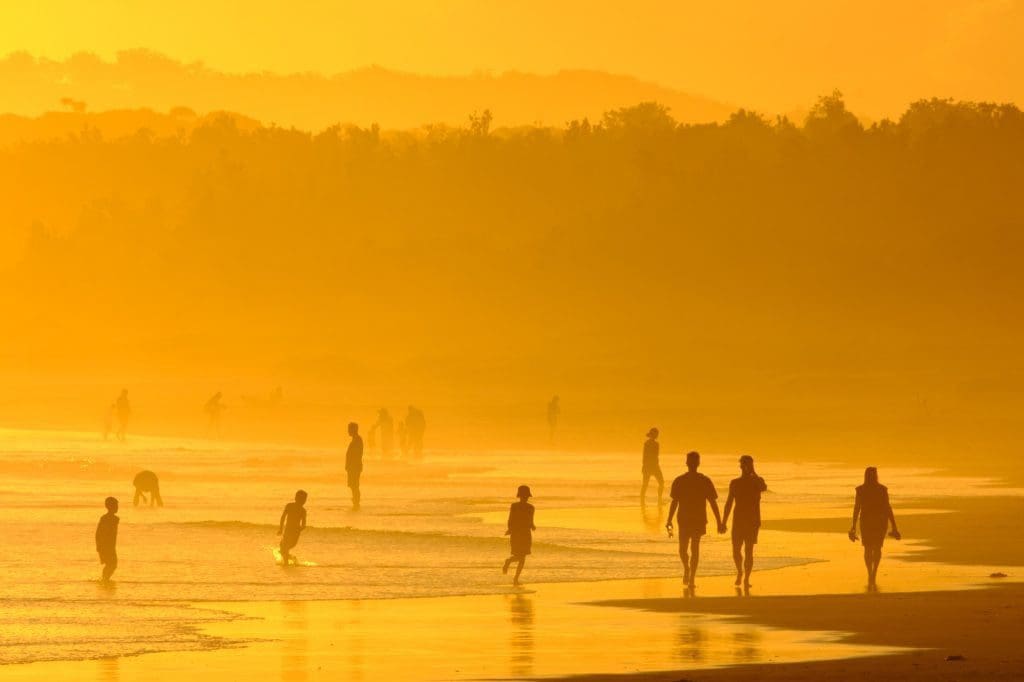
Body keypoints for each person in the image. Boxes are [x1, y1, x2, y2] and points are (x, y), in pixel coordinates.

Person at [666, 451, 723, 588]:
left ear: (697, 464)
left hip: (698, 519)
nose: (691, 464)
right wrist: (669, 520)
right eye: (690, 461)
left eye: (693, 461)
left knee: (695, 548)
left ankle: (692, 578)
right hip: (684, 519)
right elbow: (675, 502)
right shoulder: (679, 480)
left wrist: (719, 521)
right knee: (682, 550)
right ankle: (687, 568)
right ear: (687, 463)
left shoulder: (705, 480)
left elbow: (712, 502)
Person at [850, 467, 901, 588]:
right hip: (877, 521)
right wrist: (894, 525)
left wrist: (853, 525)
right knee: (874, 548)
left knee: (870, 548)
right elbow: (887, 508)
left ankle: (871, 573)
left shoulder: (863, 490)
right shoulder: (880, 490)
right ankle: (872, 573)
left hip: (871, 522)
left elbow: (857, 508)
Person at [722, 455, 767, 588]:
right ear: (740, 466)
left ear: (752, 466)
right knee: (736, 550)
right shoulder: (735, 483)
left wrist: (753, 472)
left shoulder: (757, 481)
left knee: (749, 550)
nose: (746, 467)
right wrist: (723, 522)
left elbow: (764, 487)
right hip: (738, 520)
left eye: (749, 464)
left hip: (753, 520)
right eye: (744, 464)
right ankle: (740, 572)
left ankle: (747, 578)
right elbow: (729, 503)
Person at [503, 485, 536, 587]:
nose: (525, 497)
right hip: (523, 534)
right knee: (521, 557)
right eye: (525, 495)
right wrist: (533, 526)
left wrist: (510, 529)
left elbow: (510, 519)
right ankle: (515, 578)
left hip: (518, 533)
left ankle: (515, 577)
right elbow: (530, 522)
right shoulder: (531, 508)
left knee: (520, 557)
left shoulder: (515, 506)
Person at [277, 489, 308, 565]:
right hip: (287, 531)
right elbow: (283, 517)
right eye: (302, 499)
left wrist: (299, 529)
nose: (303, 501)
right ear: (296, 498)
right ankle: (292, 559)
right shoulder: (289, 506)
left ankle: (286, 563)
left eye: (304, 500)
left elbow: (304, 524)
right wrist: (281, 529)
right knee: (282, 549)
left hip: (294, 533)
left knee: (284, 548)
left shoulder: (303, 511)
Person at [95, 497, 120, 582]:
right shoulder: (106, 518)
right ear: (110, 506)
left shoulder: (114, 519)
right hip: (106, 546)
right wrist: (99, 546)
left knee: (112, 564)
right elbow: (99, 533)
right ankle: (104, 580)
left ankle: (105, 580)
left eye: (117, 505)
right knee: (112, 564)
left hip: (111, 546)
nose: (117, 507)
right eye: (115, 505)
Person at [641, 427, 664, 506]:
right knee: (646, 484)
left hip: (653, 466)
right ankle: (642, 499)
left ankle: (659, 499)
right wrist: (644, 466)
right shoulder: (647, 444)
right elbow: (645, 456)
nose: (656, 435)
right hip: (650, 466)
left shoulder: (656, 444)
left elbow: (655, 456)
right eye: (655, 434)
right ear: (652, 435)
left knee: (660, 482)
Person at [345, 422, 364, 510]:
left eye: (349, 429)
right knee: (353, 485)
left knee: (355, 485)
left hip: (355, 466)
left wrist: (351, 465)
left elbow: (356, 455)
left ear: (354, 429)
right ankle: (355, 502)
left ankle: (356, 502)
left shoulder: (357, 440)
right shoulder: (355, 439)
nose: (348, 431)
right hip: (353, 466)